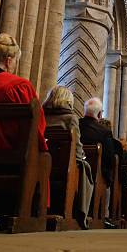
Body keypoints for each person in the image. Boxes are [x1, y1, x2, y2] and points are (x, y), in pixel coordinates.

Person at [42, 86, 93, 229]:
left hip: (41, 162)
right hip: (63, 165)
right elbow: (76, 148)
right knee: (86, 170)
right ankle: (79, 213)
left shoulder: (41, 115)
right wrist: (82, 157)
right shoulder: (70, 118)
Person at [79, 97, 117, 228]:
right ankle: (101, 216)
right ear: (100, 114)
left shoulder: (76, 125)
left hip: (70, 167)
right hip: (95, 174)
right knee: (106, 179)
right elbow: (109, 158)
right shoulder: (105, 132)